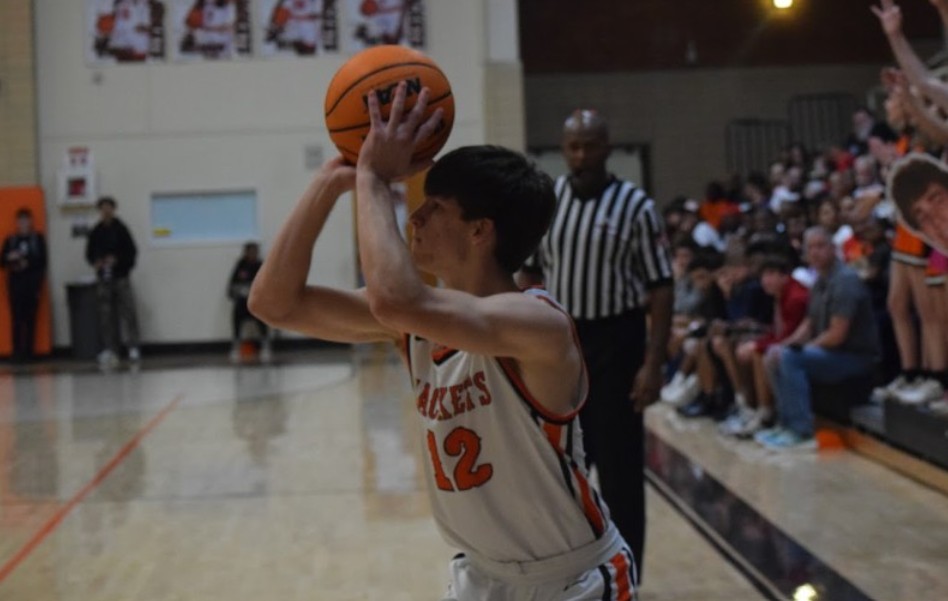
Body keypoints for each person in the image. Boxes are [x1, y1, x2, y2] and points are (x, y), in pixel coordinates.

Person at [249, 83, 638, 599]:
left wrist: (373, 178)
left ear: (480, 232)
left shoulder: (537, 325)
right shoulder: (417, 321)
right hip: (480, 577)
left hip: (573, 581)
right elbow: (274, 304)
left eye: (435, 208)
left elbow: (396, 300)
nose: (416, 217)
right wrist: (329, 182)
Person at [518, 109, 673, 578]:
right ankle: (576, 572)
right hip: (562, 344)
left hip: (618, 344)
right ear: (563, 150)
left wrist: (654, 362)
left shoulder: (637, 207)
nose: (581, 155)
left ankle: (628, 574)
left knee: (622, 471)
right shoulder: (549, 201)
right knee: (562, 466)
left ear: (608, 148)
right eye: (573, 147)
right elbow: (531, 272)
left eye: (589, 146)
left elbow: (662, 287)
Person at [756, 227, 880, 451]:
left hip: (854, 357)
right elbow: (809, 324)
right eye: (810, 248)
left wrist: (799, 350)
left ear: (833, 249)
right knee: (774, 354)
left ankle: (801, 430)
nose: (815, 252)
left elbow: (837, 334)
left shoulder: (845, 281)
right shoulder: (819, 281)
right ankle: (785, 423)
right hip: (832, 353)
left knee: (790, 359)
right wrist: (786, 345)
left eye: (820, 246)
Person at [85, 196, 142, 368]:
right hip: (104, 278)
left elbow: (132, 252)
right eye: (103, 208)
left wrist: (118, 261)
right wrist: (97, 261)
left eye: (108, 207)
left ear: (113, 209)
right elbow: (89, 254)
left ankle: (133, 346)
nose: (106, 211)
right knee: (106, 315)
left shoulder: (122, 229)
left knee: (129, 312)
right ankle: (110, 348)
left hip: (121, 276)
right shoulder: (96, 231)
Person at [1, 209, 47, 363]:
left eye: (26, 220)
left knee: (30, 318)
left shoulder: (37, 239)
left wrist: (28, 263)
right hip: (15, 284)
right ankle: (16, 351)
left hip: (32, 284)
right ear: (17, 223)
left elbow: (42, 261)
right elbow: (2, 261)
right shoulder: (11, 240)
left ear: (31, 222)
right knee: (16, 318)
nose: (23, 224)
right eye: (20, 221)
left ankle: (30, 351)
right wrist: (11, 259)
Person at [228, 242, 271, 362]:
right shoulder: (240, 265)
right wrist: (240, 292)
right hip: (243, 301)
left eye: (255, 251)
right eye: (250, 251)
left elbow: (267, 284)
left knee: (262, 317)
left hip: (257, 302)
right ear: (246, 252)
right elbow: (232, 286)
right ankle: (236, 346)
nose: (253, 254)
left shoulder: (260, 265)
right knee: (236, 314)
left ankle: (265, 346)